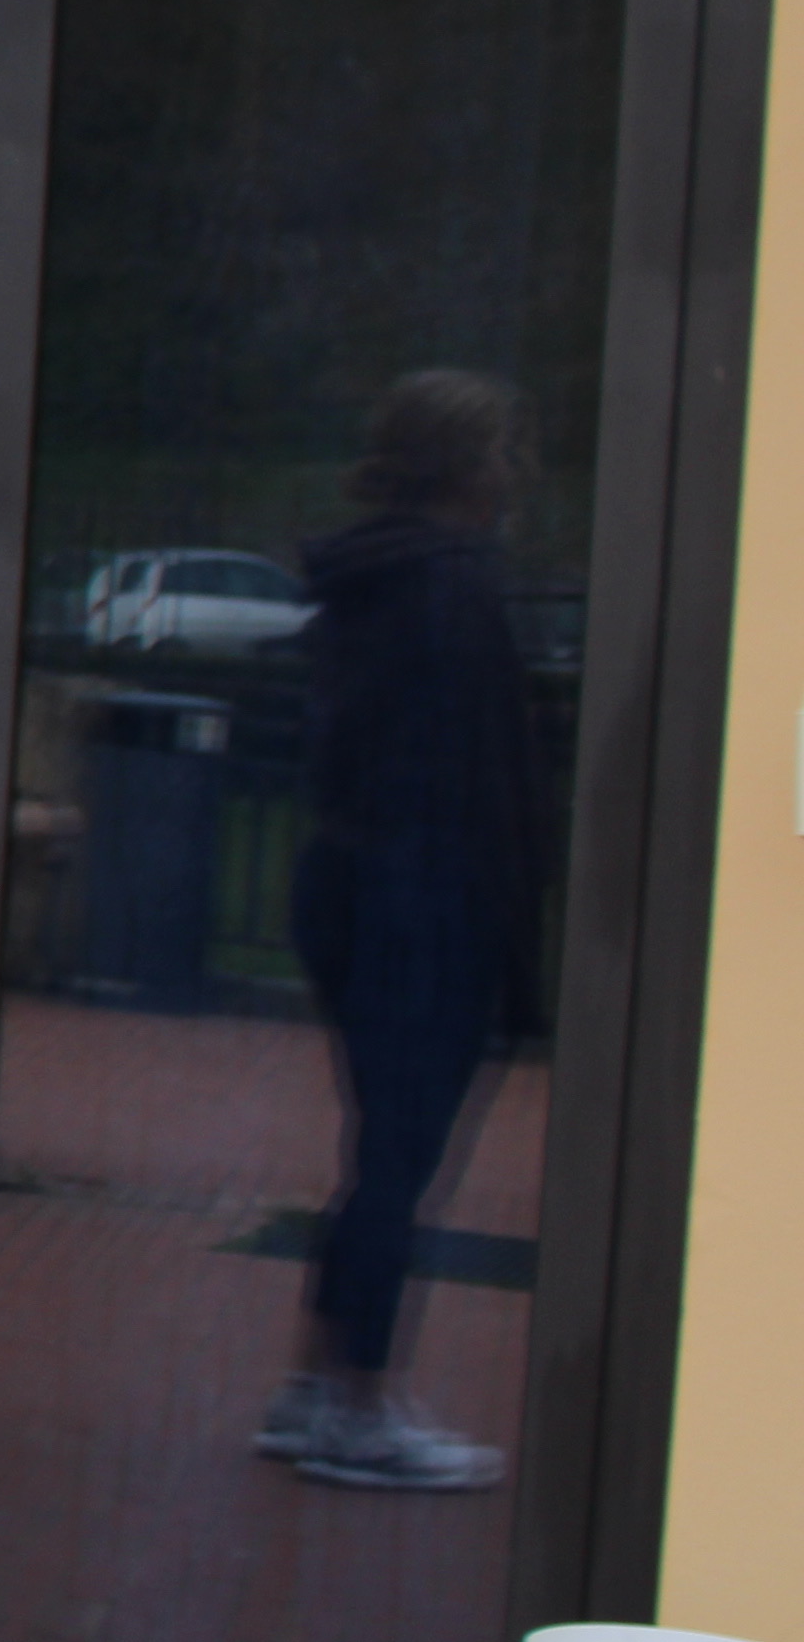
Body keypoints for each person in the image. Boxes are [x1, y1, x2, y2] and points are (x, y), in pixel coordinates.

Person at [268, 365, 546, 1495]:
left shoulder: (371, 581)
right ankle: (357, 1405)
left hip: (348, 878)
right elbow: (487, 786)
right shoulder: (457, 593)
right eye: (507, 449)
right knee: (399, 1162)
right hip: (425, 900)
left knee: (376, 1154)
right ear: (472, 466)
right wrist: (519, 945)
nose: (517, 469)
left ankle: (317, 1386)